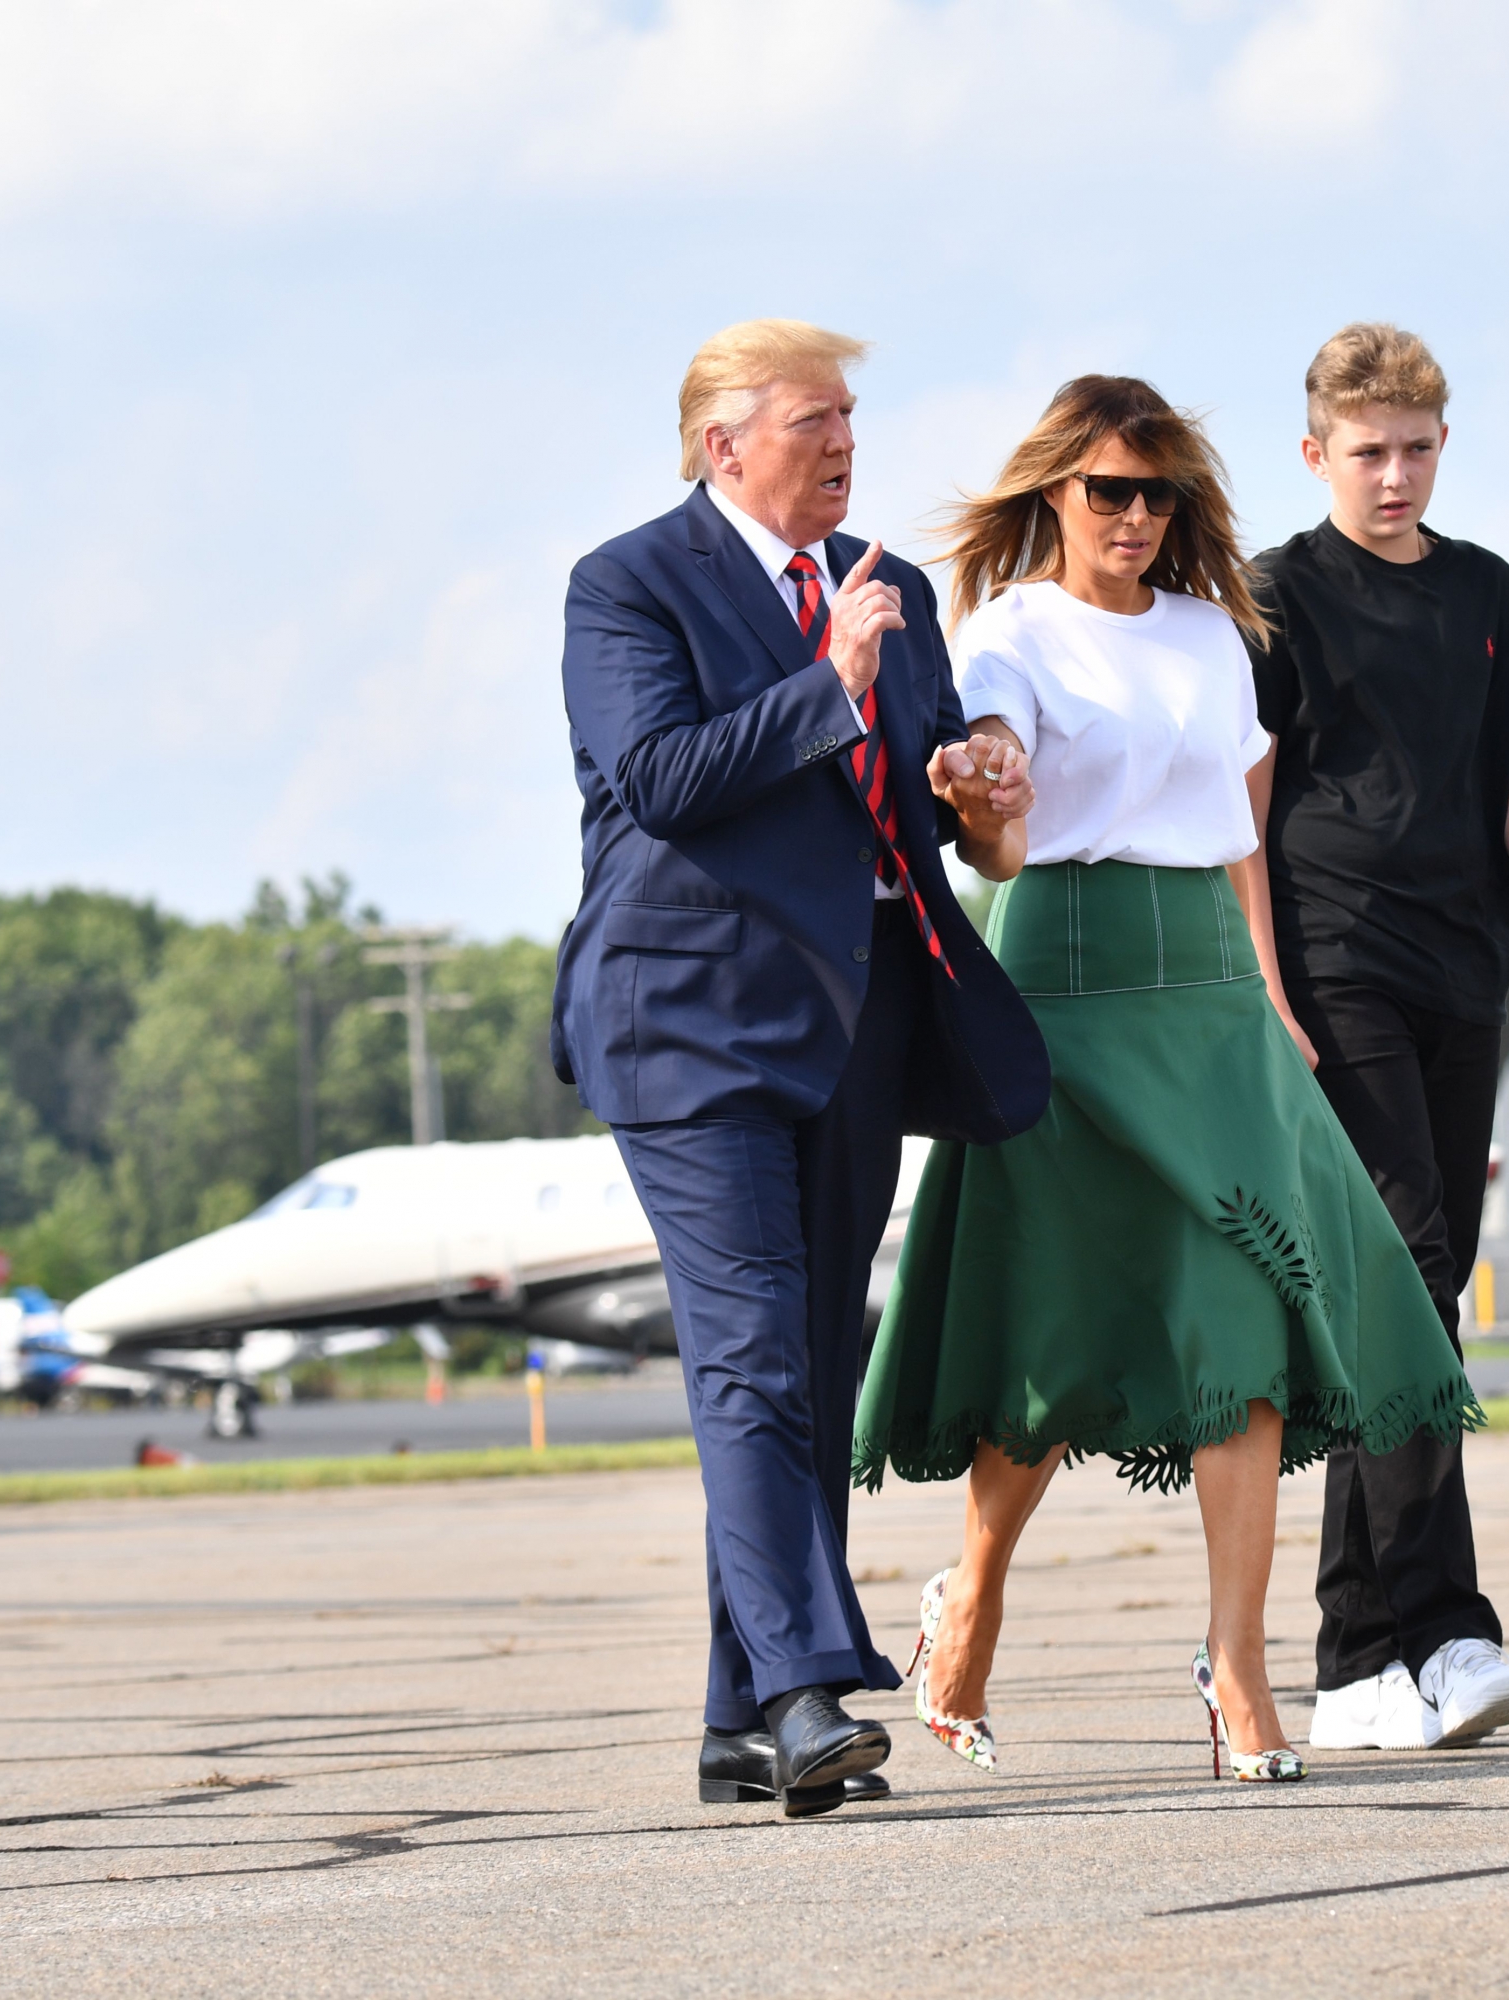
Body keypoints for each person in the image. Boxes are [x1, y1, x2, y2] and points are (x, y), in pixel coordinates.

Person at [851, 375, 1483, 1786]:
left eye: (1157, 495)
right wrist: (986, 779)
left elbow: (1240, 824)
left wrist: (1269, 986)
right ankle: (974, 1590)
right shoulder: (1010, 630)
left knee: (1239, 1331)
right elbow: (993, 803)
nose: (1134, 518)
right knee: (1057, 1341)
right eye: (1106, 493)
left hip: (1207, 991)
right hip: (1064, 979)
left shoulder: (1215, 634)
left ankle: (1242, 1677)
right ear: (1054, 497)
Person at [550, 319, 1050, 1819]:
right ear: (724, 444)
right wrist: (829, 684)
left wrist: (972, 773)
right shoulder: (628, 585)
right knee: (755, 1348)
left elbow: (912, 781)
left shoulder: (885, 591)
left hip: (856, 1020)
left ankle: (732, 1717)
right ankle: (805, 1688)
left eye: (851, 419)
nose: (844, 443)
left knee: (812, 1368)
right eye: (814, 420)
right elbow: (663, 780)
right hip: (687, 1023)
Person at [1244, 323, 1509, 1753]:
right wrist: (1267, 987)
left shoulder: (1485, 591)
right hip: (1337, 959)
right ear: (1317, 449)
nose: (1394, 476)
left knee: (1416, 1294)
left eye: (1417, 449)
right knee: (1407, 1260)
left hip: (1471, 961)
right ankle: (1446, 1630)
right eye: (1368, 451)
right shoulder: (1276, 597)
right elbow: (1245, 817)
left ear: (1442, 445)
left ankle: (1351, 1660)